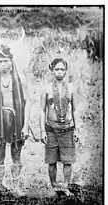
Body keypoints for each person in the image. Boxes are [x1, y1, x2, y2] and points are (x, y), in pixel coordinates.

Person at [0, 43, 31, 198]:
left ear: (11, 60)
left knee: (16, 155)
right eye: (0, 61)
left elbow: (28, 102)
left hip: (17, 120)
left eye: (6, 60)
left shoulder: (20, 79)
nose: (3, 64)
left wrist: (26, 126)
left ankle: (16, 187)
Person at [40, 58, 76, 196]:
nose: (59, 72)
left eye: (62, 69)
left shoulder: (71, 88)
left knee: (68, 160)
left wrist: (76, 129)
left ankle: (66, 186)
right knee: (51, 161)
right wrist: (42, 130)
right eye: (57, 69)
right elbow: (42, 110)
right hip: (51, 129)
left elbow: (74, 110)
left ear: (66, 70)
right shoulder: (47, 88)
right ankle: (54, 186)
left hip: (67, 129)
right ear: (52, 70)